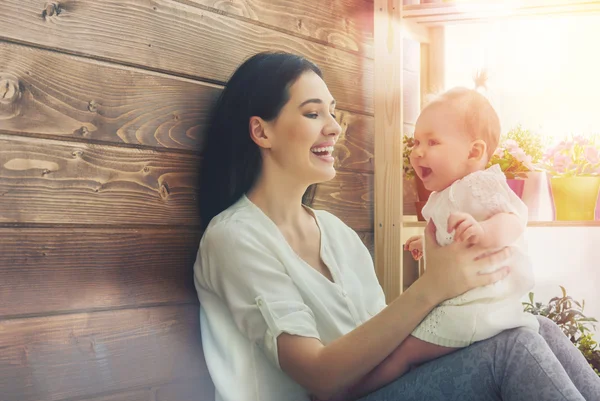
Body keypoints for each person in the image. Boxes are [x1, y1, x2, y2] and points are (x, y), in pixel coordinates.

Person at [193, 51, 600, 401]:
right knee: (514, 348)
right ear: (261, 130)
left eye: (332, 113)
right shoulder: (234, 237)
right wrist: (435, 284)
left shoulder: (337, 234)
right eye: (313, 113)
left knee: (535, 326)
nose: (334, 126)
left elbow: (386, 344)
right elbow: (318, 376)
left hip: (376, 388)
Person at [340, 87, 542, 398]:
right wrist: (424, 241)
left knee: (404, 352)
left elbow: (514, 219)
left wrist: (484, 232)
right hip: (463, 304)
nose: (418, 151)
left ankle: (346, 392)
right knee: (405, 347)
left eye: (432, 142)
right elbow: (446, 237)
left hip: (478, 307)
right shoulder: (441, 196)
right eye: (416, 142)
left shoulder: (479, 184)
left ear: (474, 153)